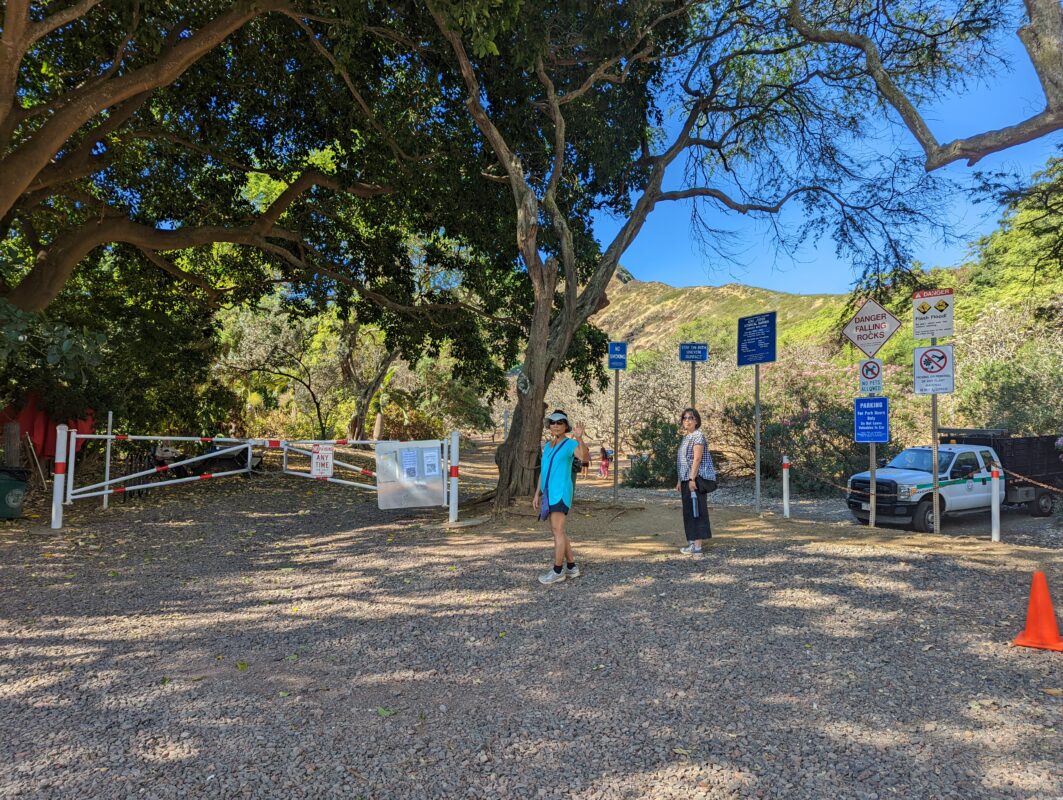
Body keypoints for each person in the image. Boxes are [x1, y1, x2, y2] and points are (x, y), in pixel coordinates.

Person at [533, 410, 589, 585]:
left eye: (560, 422)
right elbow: (543, 471)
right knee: (559, 531)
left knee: (557, 531)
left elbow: (584, 457)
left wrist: (579, 438)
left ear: (566, 426)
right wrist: (537, 494)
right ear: (549, 425)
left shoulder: (570, 444)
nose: (556, 425)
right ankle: (571, 567)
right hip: (549, 493)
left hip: (561, 492)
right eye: (553, 422)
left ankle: (557, 571)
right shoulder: (548, 446)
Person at [675, 407, 716, 556]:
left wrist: (692, 479)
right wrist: (680, 480)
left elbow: (696, 459)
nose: (687, 421)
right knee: (688, 511)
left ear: (696, 420)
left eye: (690, 418)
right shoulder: (686, 437)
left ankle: (697, 546)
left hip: (696, 479)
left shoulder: (698, 436)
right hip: (686, 479)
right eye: (684, 418)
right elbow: (683, 461)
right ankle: (691, 542)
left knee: (697, 510)